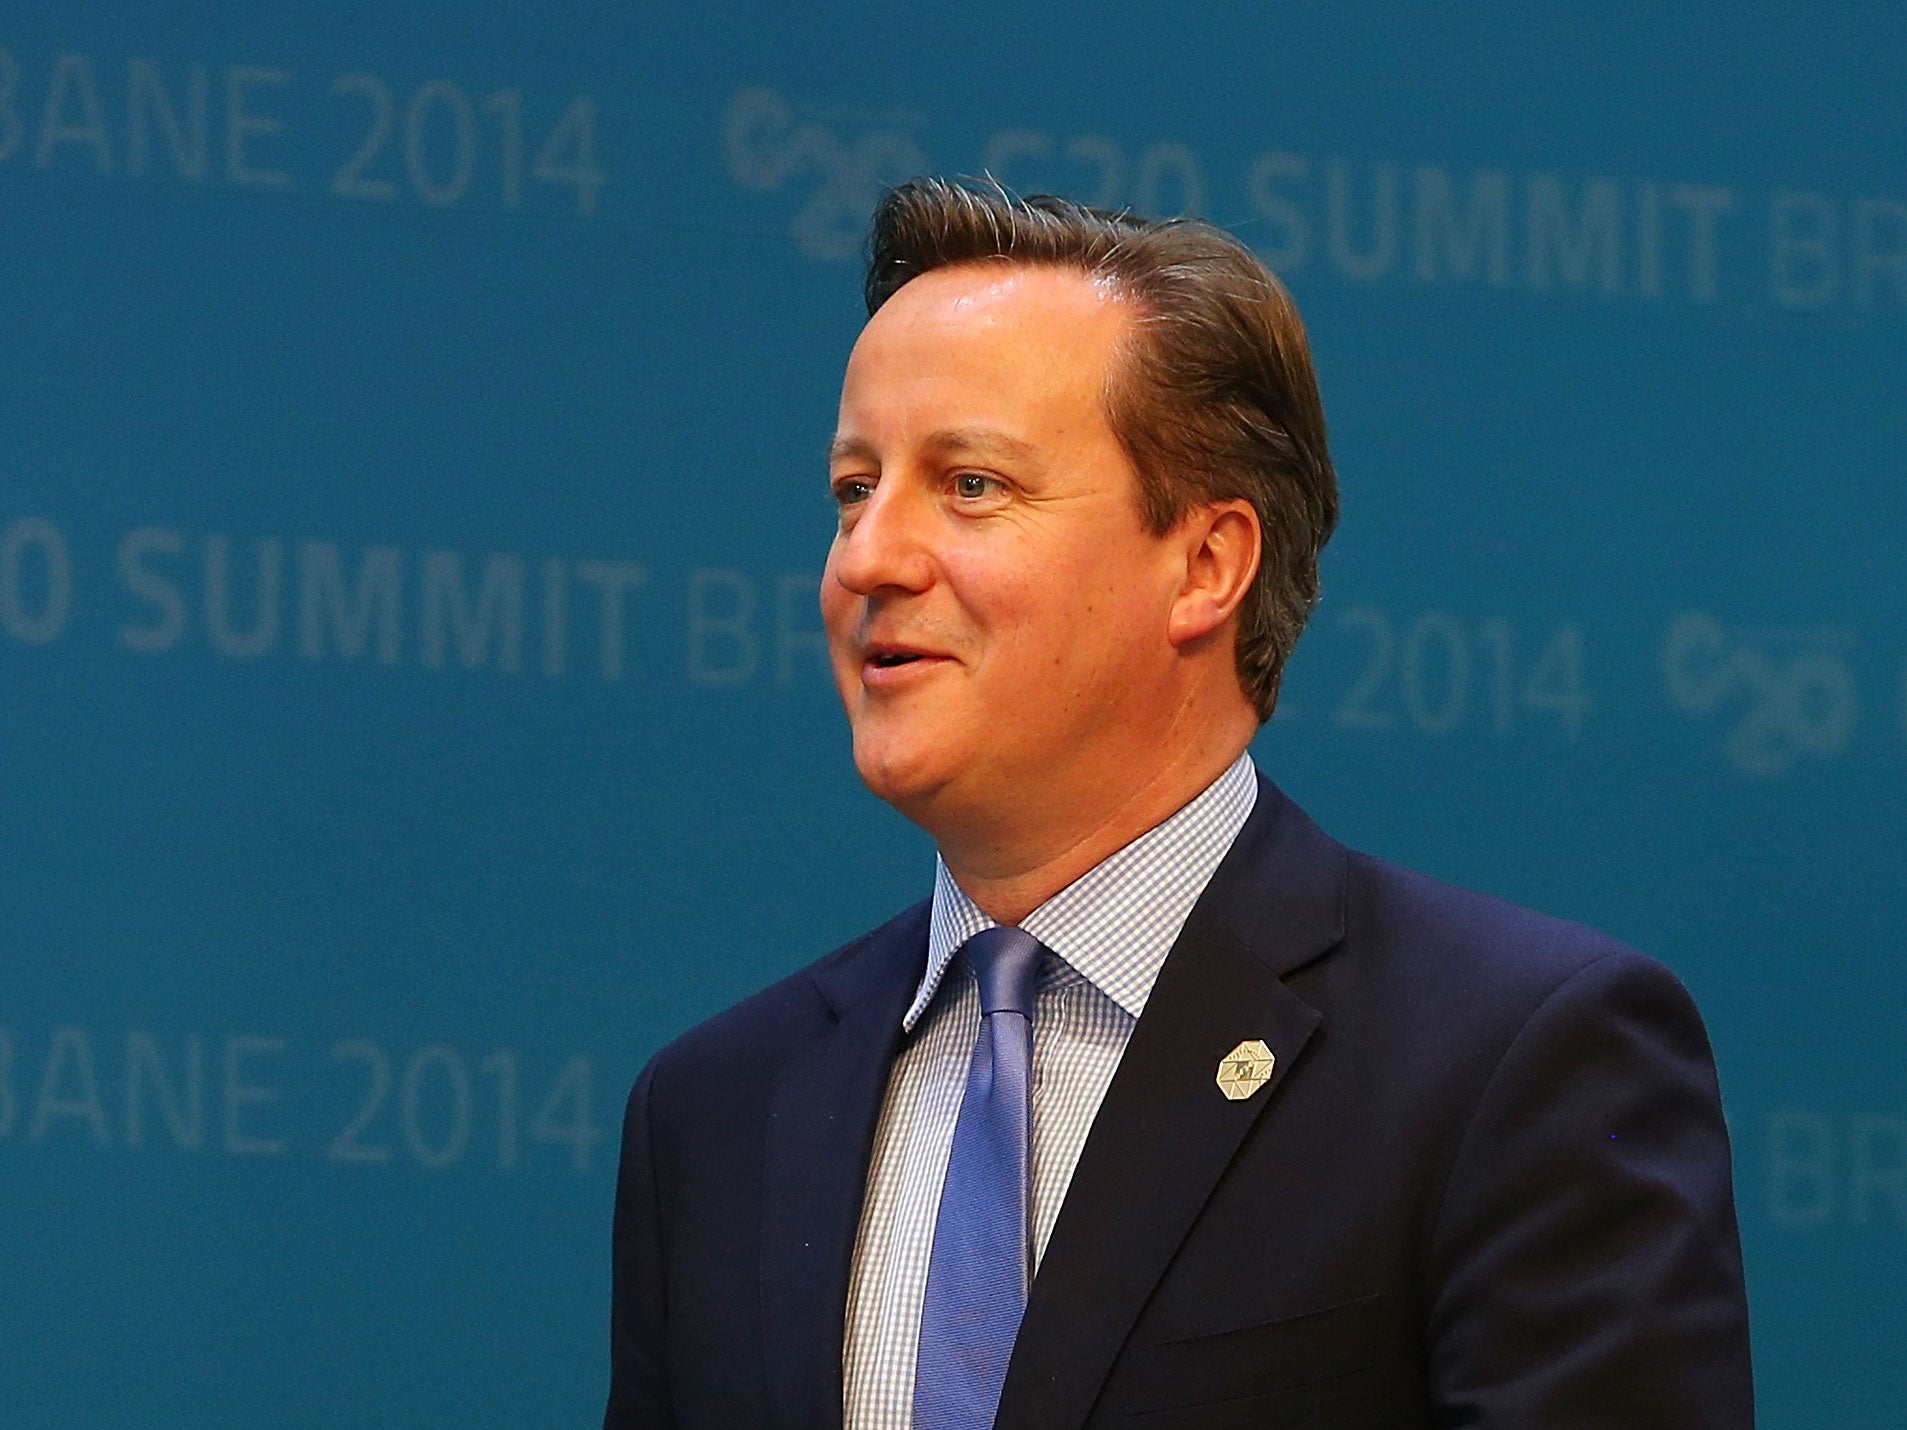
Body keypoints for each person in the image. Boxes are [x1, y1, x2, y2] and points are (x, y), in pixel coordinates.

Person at [604, 177, 1754, 1428]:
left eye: (971, 483)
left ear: (1205, 564)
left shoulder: (1514, 1061)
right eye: (852, 487)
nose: (868, 557)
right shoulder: (717, 1109)